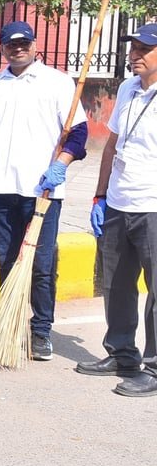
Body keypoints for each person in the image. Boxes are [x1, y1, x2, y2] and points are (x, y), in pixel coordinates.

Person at [0, 21, 88, 361]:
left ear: (34, 45)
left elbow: (78, 136)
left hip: (43, 192)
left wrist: (60, 164)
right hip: (0, 189)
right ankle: (11, 321)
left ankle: (42, 330)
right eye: (10, 43)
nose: (18, 48)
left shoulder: (59, 84)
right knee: (6, 260)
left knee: (42, 265)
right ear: (1, 47)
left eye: (24, 43)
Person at [82, 23, 157, 395]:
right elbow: (111, 145)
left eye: (145, 49)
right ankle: (121, 353)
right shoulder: (127, 89)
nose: (135, 55)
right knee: (116, 284)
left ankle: (155, 368)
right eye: (133, 48)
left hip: (153, 207)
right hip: (119, 201)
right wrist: (99, 195)